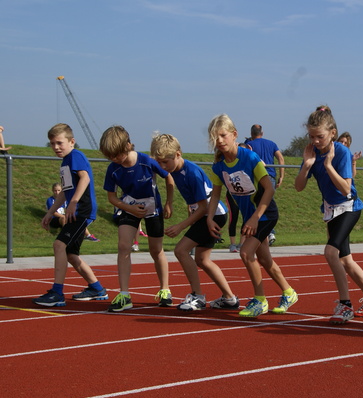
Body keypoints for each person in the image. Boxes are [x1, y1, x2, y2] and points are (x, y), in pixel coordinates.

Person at [294, 106, 363, 324]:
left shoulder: (341, 153)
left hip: (349, 208)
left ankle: (345, 305)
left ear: (332, 133)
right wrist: (307, 165)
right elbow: (298, 187)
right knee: (346, 260)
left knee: (331, 252)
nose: (315, 141)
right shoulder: (311, 153)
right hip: (331, 210)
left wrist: (328, 165)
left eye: (320, 136)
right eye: (311, 136)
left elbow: (345, 189)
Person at [207, 114, 298, 317]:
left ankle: (260, 300)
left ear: (234, 135)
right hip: (250, 216)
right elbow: (215, 194)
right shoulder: (219, 166)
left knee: (246, 253)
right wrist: (209, 217)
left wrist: (256, 217)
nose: (219, 140)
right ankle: (289, 292)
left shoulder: (249, 158)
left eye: (223, 135)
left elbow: (269, 190)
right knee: (264, 259)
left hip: (265, 214)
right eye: (215, 137)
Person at [150, 133, 239, 311]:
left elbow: (204, 207)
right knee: (202, 259)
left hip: (213, 215)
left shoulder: (191, 173)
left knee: (181, 250)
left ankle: (198, 296)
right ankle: (230, 298)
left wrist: (180, 226)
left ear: (178, 154)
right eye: (159, 162)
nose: (162, 166)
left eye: (165, 162)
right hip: (205, 213)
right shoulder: (174, 170)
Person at [100, 125, 174, 312]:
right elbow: (112, 197)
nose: (114, 159)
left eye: (116, 155)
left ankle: (165, 289)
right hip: (129, 208)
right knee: (124, 246)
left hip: (153, 209)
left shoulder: (147, 161)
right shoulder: (113, 169)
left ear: (127, 146)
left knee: (156, 250)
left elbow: (169, 178)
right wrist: (129, 208)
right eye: (110, 157)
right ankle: (124, 294)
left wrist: (168, 203)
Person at [35, 123, 107, 306]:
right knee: (70, 253)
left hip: (82, 211)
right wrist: (50, 213)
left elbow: (85, 178)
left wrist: (74, 203)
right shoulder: (65, 162)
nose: (56, 147)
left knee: (59, 245)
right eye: (52, 143)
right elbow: (65, 192)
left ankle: (57, 293)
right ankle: (96, 288)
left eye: (59, 143)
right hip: (76, 211)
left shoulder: (75, 156)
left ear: (72, 142)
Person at [246, 124, 285, 246]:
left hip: (257, 177)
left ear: (252, 134)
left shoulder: (250, 144)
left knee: (260, 204)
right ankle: (266, 232)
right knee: (267, 204)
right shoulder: (271, 144)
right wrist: (282, 175)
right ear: (262, 133)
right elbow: (280, 158)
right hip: (270, 176)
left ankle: (267, 231)